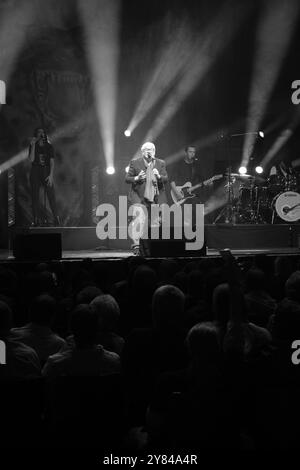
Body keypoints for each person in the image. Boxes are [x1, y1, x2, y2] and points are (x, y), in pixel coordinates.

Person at [125, 142, 168, 255]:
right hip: (138, 196)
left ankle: (153, 245)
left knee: (155, 221)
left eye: (152, 149)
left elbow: (166, 178)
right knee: (139, 220)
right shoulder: (135, 162)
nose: (149, 151)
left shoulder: (160, 163)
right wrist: (137, 177)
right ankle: (136, 246)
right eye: (147, 149)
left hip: (155, 196)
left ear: (155, 151)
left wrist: (159, 176)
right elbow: (127, 178)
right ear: (142, 151)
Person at [28, 127, 59, 226]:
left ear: (45, 134)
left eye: (42, 132)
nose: (41, 134)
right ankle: (36, 219)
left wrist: (51, 175)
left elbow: (52, 162)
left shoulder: (49, 146)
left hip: (46, 170)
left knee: (51, 195)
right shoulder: (33, 145)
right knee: (35, 196)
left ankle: (56, 219)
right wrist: (32, 145)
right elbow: (31, 160)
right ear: (36, 134)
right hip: (35, 170)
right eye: (39, 132)